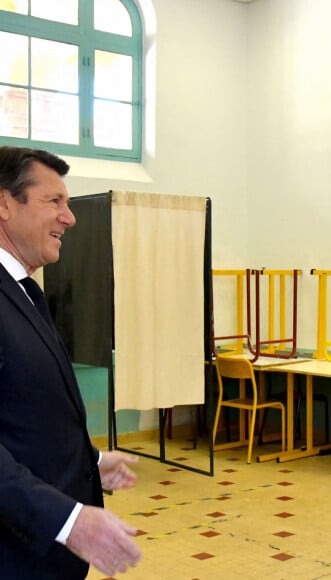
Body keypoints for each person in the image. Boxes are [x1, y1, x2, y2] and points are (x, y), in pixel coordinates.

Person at [0, 146, 143, 579]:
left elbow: (21, 411)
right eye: (54, 202)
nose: (70, 217)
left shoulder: (24, 289)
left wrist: (89, 461)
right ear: (5, 205)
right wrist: (67, 520)